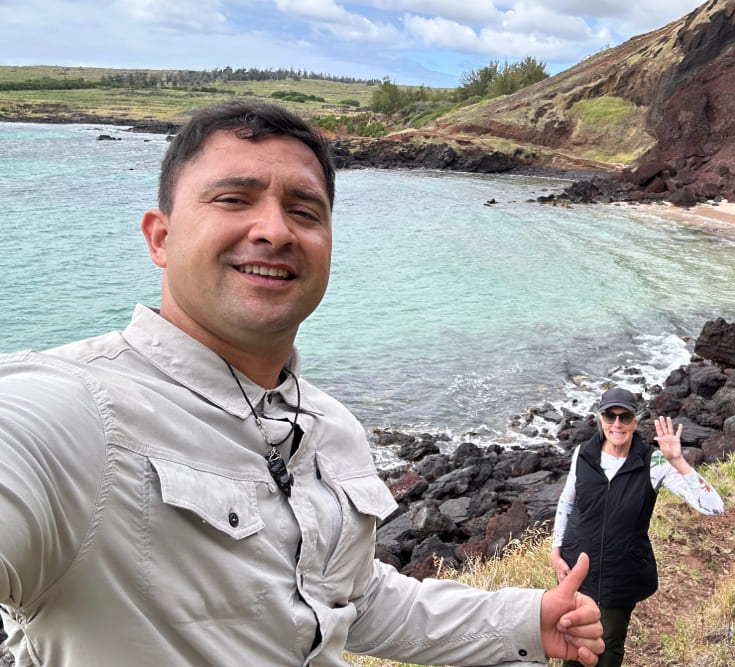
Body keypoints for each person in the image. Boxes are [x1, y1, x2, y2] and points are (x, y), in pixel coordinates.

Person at [0, 100, 605, 667]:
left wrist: (524, 619)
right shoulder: (74, 411)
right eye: (234, 199)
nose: (275, 230)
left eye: (304, 210)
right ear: (161, 236)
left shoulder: (331, 426)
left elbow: (350, 597)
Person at [550, 387, 724, 667]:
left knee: (606, 650)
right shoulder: (584, 453)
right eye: (610, 416)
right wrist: (556, 552)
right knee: (572, 644)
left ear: (635, 421)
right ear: (600, 418)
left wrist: (677, 461)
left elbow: (714, 507)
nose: (616, 424)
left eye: (624, 417)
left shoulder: (654, 462)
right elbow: (566, 502)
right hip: (576, 568)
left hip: (620, 575)